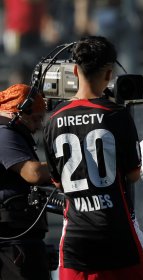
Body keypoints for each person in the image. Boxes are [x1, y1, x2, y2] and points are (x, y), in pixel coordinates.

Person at [43, 36, 143, 280]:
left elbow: (58, 183)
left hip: (76, 237)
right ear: (109, 74)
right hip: (117, 233)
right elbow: (133, 174)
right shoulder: (116, 114)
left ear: (74, 70)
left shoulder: (52, 120)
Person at [0, 84, 51, 279]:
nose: (38, 125)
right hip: (13, 241)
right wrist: (70, 165)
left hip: (19, 236)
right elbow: (34, 173)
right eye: (36, 118)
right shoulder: (4, 133)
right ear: (20, 112)